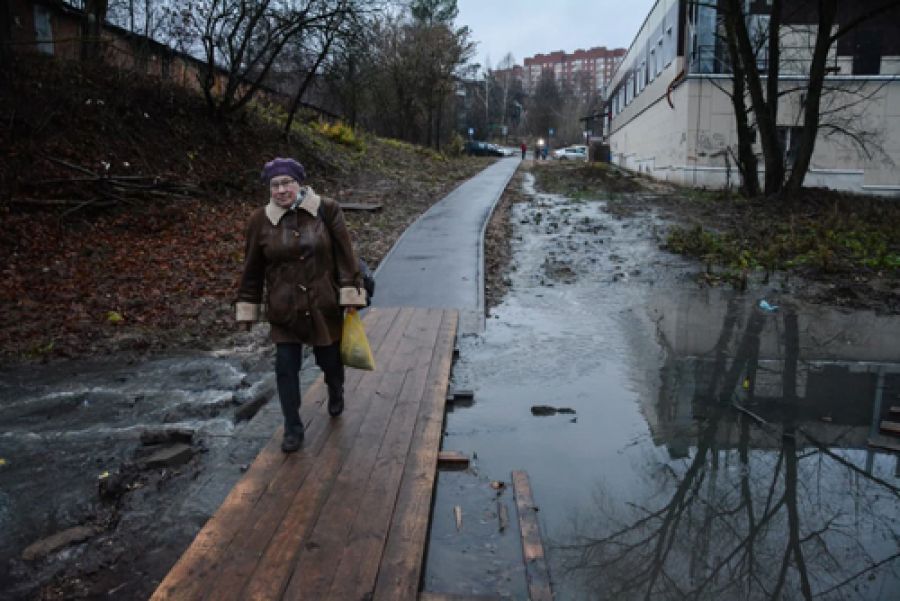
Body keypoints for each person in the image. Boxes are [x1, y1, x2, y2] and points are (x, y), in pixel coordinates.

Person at [236, 157, 367, 452]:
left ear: (299, 183)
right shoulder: (260, 221)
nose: (281, 190)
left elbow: (346, 256)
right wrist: (247, 308)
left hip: (323, 303)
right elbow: (252, 269)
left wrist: (350, 297)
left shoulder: (327, 209)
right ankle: (292, 427)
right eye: (275, 185)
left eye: (287, 183)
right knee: (285, 368)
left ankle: (336, 390)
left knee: (330, 362)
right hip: (284, 308)